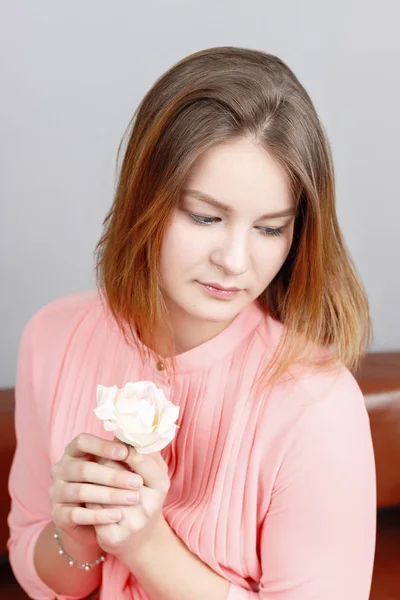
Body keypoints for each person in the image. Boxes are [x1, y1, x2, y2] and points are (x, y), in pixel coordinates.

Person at [7, 46, 376, 600]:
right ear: (143, 199)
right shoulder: (53, 339)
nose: (234, 259)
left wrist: (147, 546)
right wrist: (76, 536)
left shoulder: (318, 406)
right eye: (206, 216)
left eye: (270, 228)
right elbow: (37, 567)